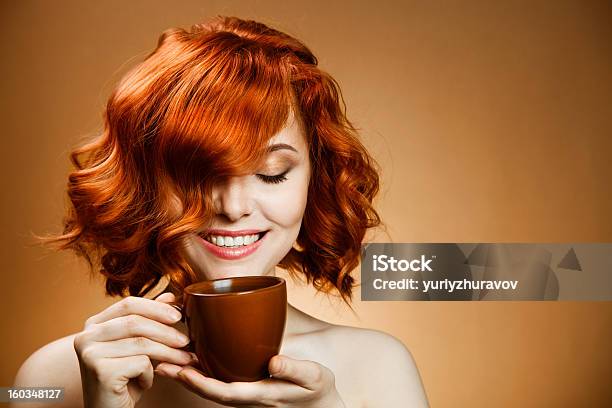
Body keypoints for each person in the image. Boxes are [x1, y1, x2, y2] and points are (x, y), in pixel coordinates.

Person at [12, 16, 429, 407]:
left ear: (313, 183)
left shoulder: (379, 366)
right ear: (142, 186)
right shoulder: (46, 379)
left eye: (271, 174)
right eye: (199, 175)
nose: (232, 208)